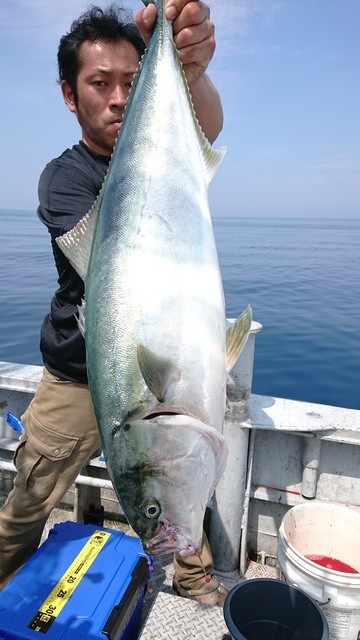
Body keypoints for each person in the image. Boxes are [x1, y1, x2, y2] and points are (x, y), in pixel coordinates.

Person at [0, 0, 227, 606]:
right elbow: (119, 246)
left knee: (180, 473)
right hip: (78, 374)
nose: (120, 98)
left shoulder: (176, 149)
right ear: (70, 97)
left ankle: (192, 572)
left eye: (132, 81)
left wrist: (191, 71)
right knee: (29, 500)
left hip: (153, 386)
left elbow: (208, 127)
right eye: (100, 84)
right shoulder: (64, 177)